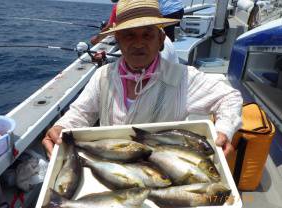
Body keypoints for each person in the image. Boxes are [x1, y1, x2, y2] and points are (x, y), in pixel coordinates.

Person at [43, 0, 243, 159]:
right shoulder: (102, 76)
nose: (138, 43)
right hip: (112, 163)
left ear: (161, 40)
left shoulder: (183, 77)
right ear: (118, 41)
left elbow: (230, 98)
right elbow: (81, 114)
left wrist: (224, 130)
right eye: (129, 35)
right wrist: (62, 127)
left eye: (147, 35)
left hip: (164, 168)